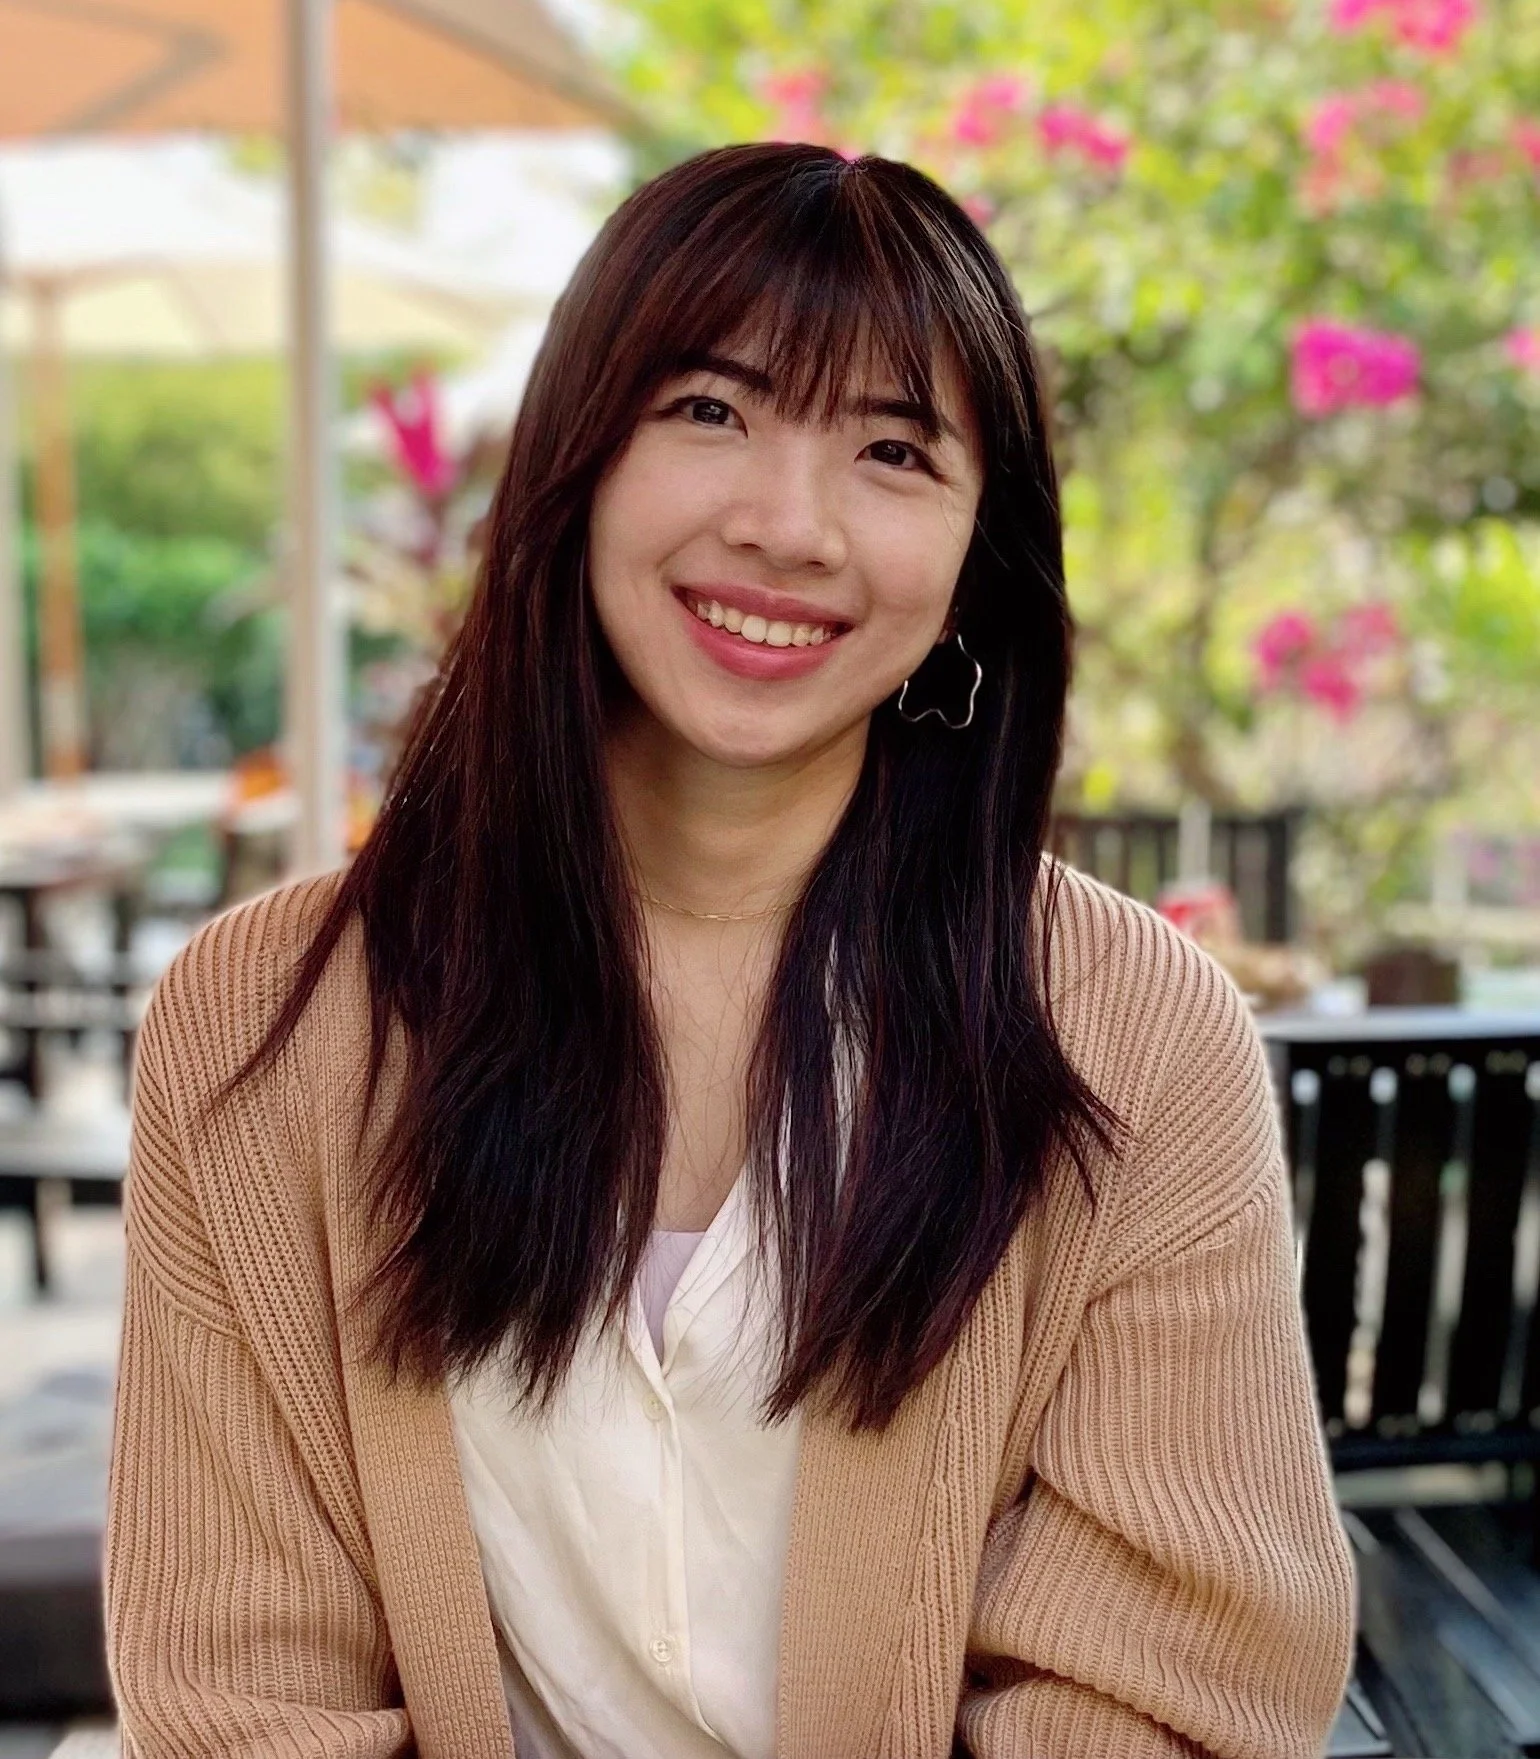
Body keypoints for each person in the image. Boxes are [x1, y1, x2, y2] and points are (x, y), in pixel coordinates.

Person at [105, 143, 1354, 1758]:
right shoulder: (262, 1029)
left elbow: (1172, 1699)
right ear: (579, 456)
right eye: (711, 409)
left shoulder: (1132, 1040)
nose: (790, 525)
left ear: (979, 554)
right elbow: (240, 1698)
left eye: (896, 450)